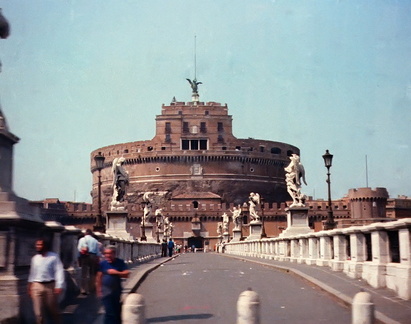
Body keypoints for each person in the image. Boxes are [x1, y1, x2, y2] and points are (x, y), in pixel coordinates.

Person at [28, 238, 65, 324]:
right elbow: (32, 273)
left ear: (45, 246)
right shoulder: (35, 258)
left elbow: (59, 271)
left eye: (40, 245)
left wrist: (59, 285)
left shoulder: (53, 257)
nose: (38, 247)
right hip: (37, 286)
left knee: (53, 310)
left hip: (50, 286)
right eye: (37, 245)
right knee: (38, 313)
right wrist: (29, 287)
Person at [96, 245, 130, 324]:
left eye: (109, 253)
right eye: (105, 254)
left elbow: (127, 274)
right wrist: (98, 290)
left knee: (117, 311)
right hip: (106, 292)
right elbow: (99, 277)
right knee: (109, 312)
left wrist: (116, 273)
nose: (107, 255)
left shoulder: (119, 262)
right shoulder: (103, 264)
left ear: (114, 254)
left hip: (116, 291)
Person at [77, 229, 99, 294]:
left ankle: (83, 289)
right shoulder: (95, 241)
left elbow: (79, 249)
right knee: (92, 273)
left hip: (84, 257)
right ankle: (91, 288)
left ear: (85, 233)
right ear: (91, 234)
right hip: (93, 256)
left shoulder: (82, 240)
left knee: (84, 273)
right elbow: (97, 252)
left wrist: (78, 258)